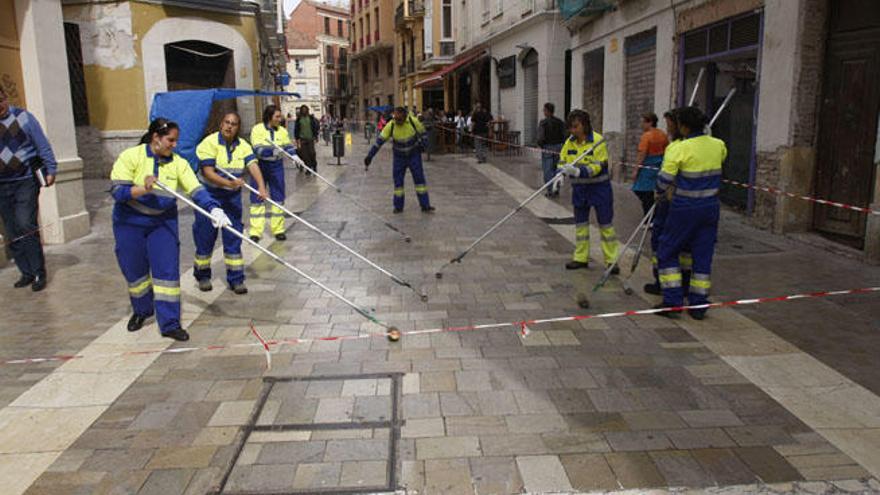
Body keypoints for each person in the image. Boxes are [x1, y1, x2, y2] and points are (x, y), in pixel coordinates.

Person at [110, 118, 230, 341]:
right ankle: (142, 310)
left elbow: (196, 189)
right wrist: (142, 189)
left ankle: (170, 323)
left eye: (176, 141)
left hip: (162, 224)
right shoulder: (131, 157)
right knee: (135, 273)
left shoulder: (178, 164)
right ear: (156, 138)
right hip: (129, 224)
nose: (174, 145)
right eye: (170, 140)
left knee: (167, 274)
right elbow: (118, 192)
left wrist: (214, 209)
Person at [654, 106, 726, 320]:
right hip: (710, 208)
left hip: (684, 208)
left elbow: (663, 181)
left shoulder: (679, 148)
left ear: (683, 126)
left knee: (667, 251)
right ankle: (698, 305)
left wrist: (659, 190)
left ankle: (673, 301)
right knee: (702, 256)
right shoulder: (718, 145)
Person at [193, 112, 268, 294]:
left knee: (234, 236)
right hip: (209, 195)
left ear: (238, 127)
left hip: (231, 198)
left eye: (234, 124)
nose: (229, 126)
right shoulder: (208, 143)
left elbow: (252, 165)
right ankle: (202, 275)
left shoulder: (243, 146)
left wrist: (260, 186)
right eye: (226, 122)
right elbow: (208, 172)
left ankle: (236, 278)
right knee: (205, 237)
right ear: (221, 124)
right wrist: (229, 183)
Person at [0, 86, 55, 292]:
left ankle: (39, 271)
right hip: (1, 184)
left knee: (26, 224)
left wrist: (51, 169)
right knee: (12, 229)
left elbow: (42, 145)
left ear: (5, 97)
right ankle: (26, 272)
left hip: (25, 180)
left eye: (0, 100)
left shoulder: (24, 118)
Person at [557, 109, 620, 271]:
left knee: (606, 225)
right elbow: (562, 160)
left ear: (584, 125)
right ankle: (581, 257)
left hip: (599, 189)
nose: (573, 130)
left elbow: (598, 166)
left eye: (576, 126)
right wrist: (560, 173)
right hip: (580, 190)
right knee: (581, 226)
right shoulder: (569, 142)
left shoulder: (598, 141)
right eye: (570, 127)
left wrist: (579, 172)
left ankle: (612, 261)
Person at [644, 109, 691, 296]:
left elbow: (666, 177)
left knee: (662, 242)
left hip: (670, 200)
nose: (668, 128)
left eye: (669, 123)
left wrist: (659, 189)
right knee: (685, 247)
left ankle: (663, 283)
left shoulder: (677, 147)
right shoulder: (684, 144)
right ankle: (685, 284)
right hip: (685, 202)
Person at [249, 104, 305, 242]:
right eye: (277, 116)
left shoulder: (282, 131)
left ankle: (278, 229)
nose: (280, 119)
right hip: (260, 166)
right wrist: (273, 151)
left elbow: (287, 146)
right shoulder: (257, 129)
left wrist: (294, 156)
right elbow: (257, 149)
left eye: (280, 116)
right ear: (269, 117)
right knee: (257, 198)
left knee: (278, 197)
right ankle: (256, 232)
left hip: (276, 167)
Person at [363, 107, 435, 213]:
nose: (398, 122)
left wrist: (423, 146)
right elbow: (379, 142)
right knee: (398, 184)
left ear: (405, 116)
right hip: (399, 158)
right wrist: (370, 156)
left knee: (420, 181)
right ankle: (398, 207)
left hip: (414, 156)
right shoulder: (391, 125)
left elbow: (423, 133)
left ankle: (425, 205)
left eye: (400, 120)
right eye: (396, 119)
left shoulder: (413, 121)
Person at [631, 112, 668, 215]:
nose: (641, 125)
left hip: (647, 166)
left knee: (641, 190)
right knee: (652, 189)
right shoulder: (663, 134)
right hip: (658, 164)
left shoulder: (646, 136)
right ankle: (653, 212)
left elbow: (642, 153)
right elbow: (667, 149)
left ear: (650, 122)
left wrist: (636, 170)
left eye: (643, 122)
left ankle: (650, 214)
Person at [536, 102, 567, 197]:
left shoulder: (543, 123)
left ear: (547, 111)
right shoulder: (560, 122)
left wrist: (541, 145)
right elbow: (565, 135)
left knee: (547, 170)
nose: (543, 112)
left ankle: (550, 190)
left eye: (544, 110)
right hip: (559, 148)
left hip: (547, 148)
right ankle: (556, 189)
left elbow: (540, 137)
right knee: (557, 169)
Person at [293, 105, 320, 176]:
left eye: (305, 109)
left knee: (312, 153)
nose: (304, 111)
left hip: (310, 139)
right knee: (305, 156)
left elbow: (315, 127)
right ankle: (308, 169)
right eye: (303, 110)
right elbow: (296, 130)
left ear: (307, 110)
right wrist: (297, 139)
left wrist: (316, 137)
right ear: (301, 111)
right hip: (302, 140)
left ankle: (314, 166)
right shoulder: (299, 119)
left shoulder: (311, 118)